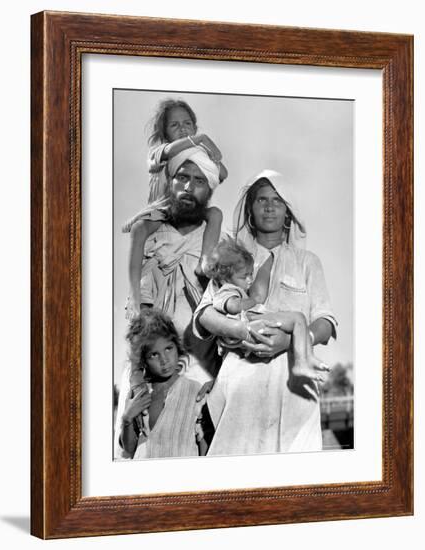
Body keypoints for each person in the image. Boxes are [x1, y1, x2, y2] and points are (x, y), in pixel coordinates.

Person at [194, 169, 338, 456]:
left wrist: (290, 342)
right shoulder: (231, 257)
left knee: (295, 482)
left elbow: (325, 321)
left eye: (278, 200)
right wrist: (241, 330)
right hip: (240, 385)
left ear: (288, 212)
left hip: (293, 386)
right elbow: (205, 314)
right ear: (250, 209)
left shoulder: (307, 262)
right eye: (261, 200)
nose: (270, 206)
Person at [114, 147, 225, 458]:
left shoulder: (214, 235)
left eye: (199, 181)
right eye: (182, 178)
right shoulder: (150, 231)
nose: (188, 187)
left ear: (209, 190)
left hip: (198, 362)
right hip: (148, 361)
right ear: (170, 183)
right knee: (134, 448)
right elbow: (138, 304)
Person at [123, 99, 229, 319]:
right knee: (140, 229)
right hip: (161, 210)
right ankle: (134, 293)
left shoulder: (198, 154)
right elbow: (168, 152)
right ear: (164, 133)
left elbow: (221, 174)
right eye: (175, 125)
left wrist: (212, 153)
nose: (182, 129)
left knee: (215, 213)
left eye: (187, 123)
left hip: (188, 209)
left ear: (194, 125)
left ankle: (205, 262)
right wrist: (198, 140)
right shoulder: (161, 151)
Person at [202, 237, 330, 383]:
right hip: (249, 320)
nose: (250, 280)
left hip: (249, 324)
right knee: (298, 318)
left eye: (251, 274)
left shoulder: (233, 287)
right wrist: (253, 301)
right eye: (245, 276)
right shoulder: (226, 289)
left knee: (297, 322)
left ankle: (304, 359)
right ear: (225, 277)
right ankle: (302, 362)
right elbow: (232, 306)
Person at [119, 309, 208, 459]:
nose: (164, 360)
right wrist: (127, 418)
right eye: (154, 354)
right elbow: (129, 448)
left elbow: (203, 445)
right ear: (144, 360)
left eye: (168, 348)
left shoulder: (195, 390)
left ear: (177, 347)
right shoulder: (140, 395)